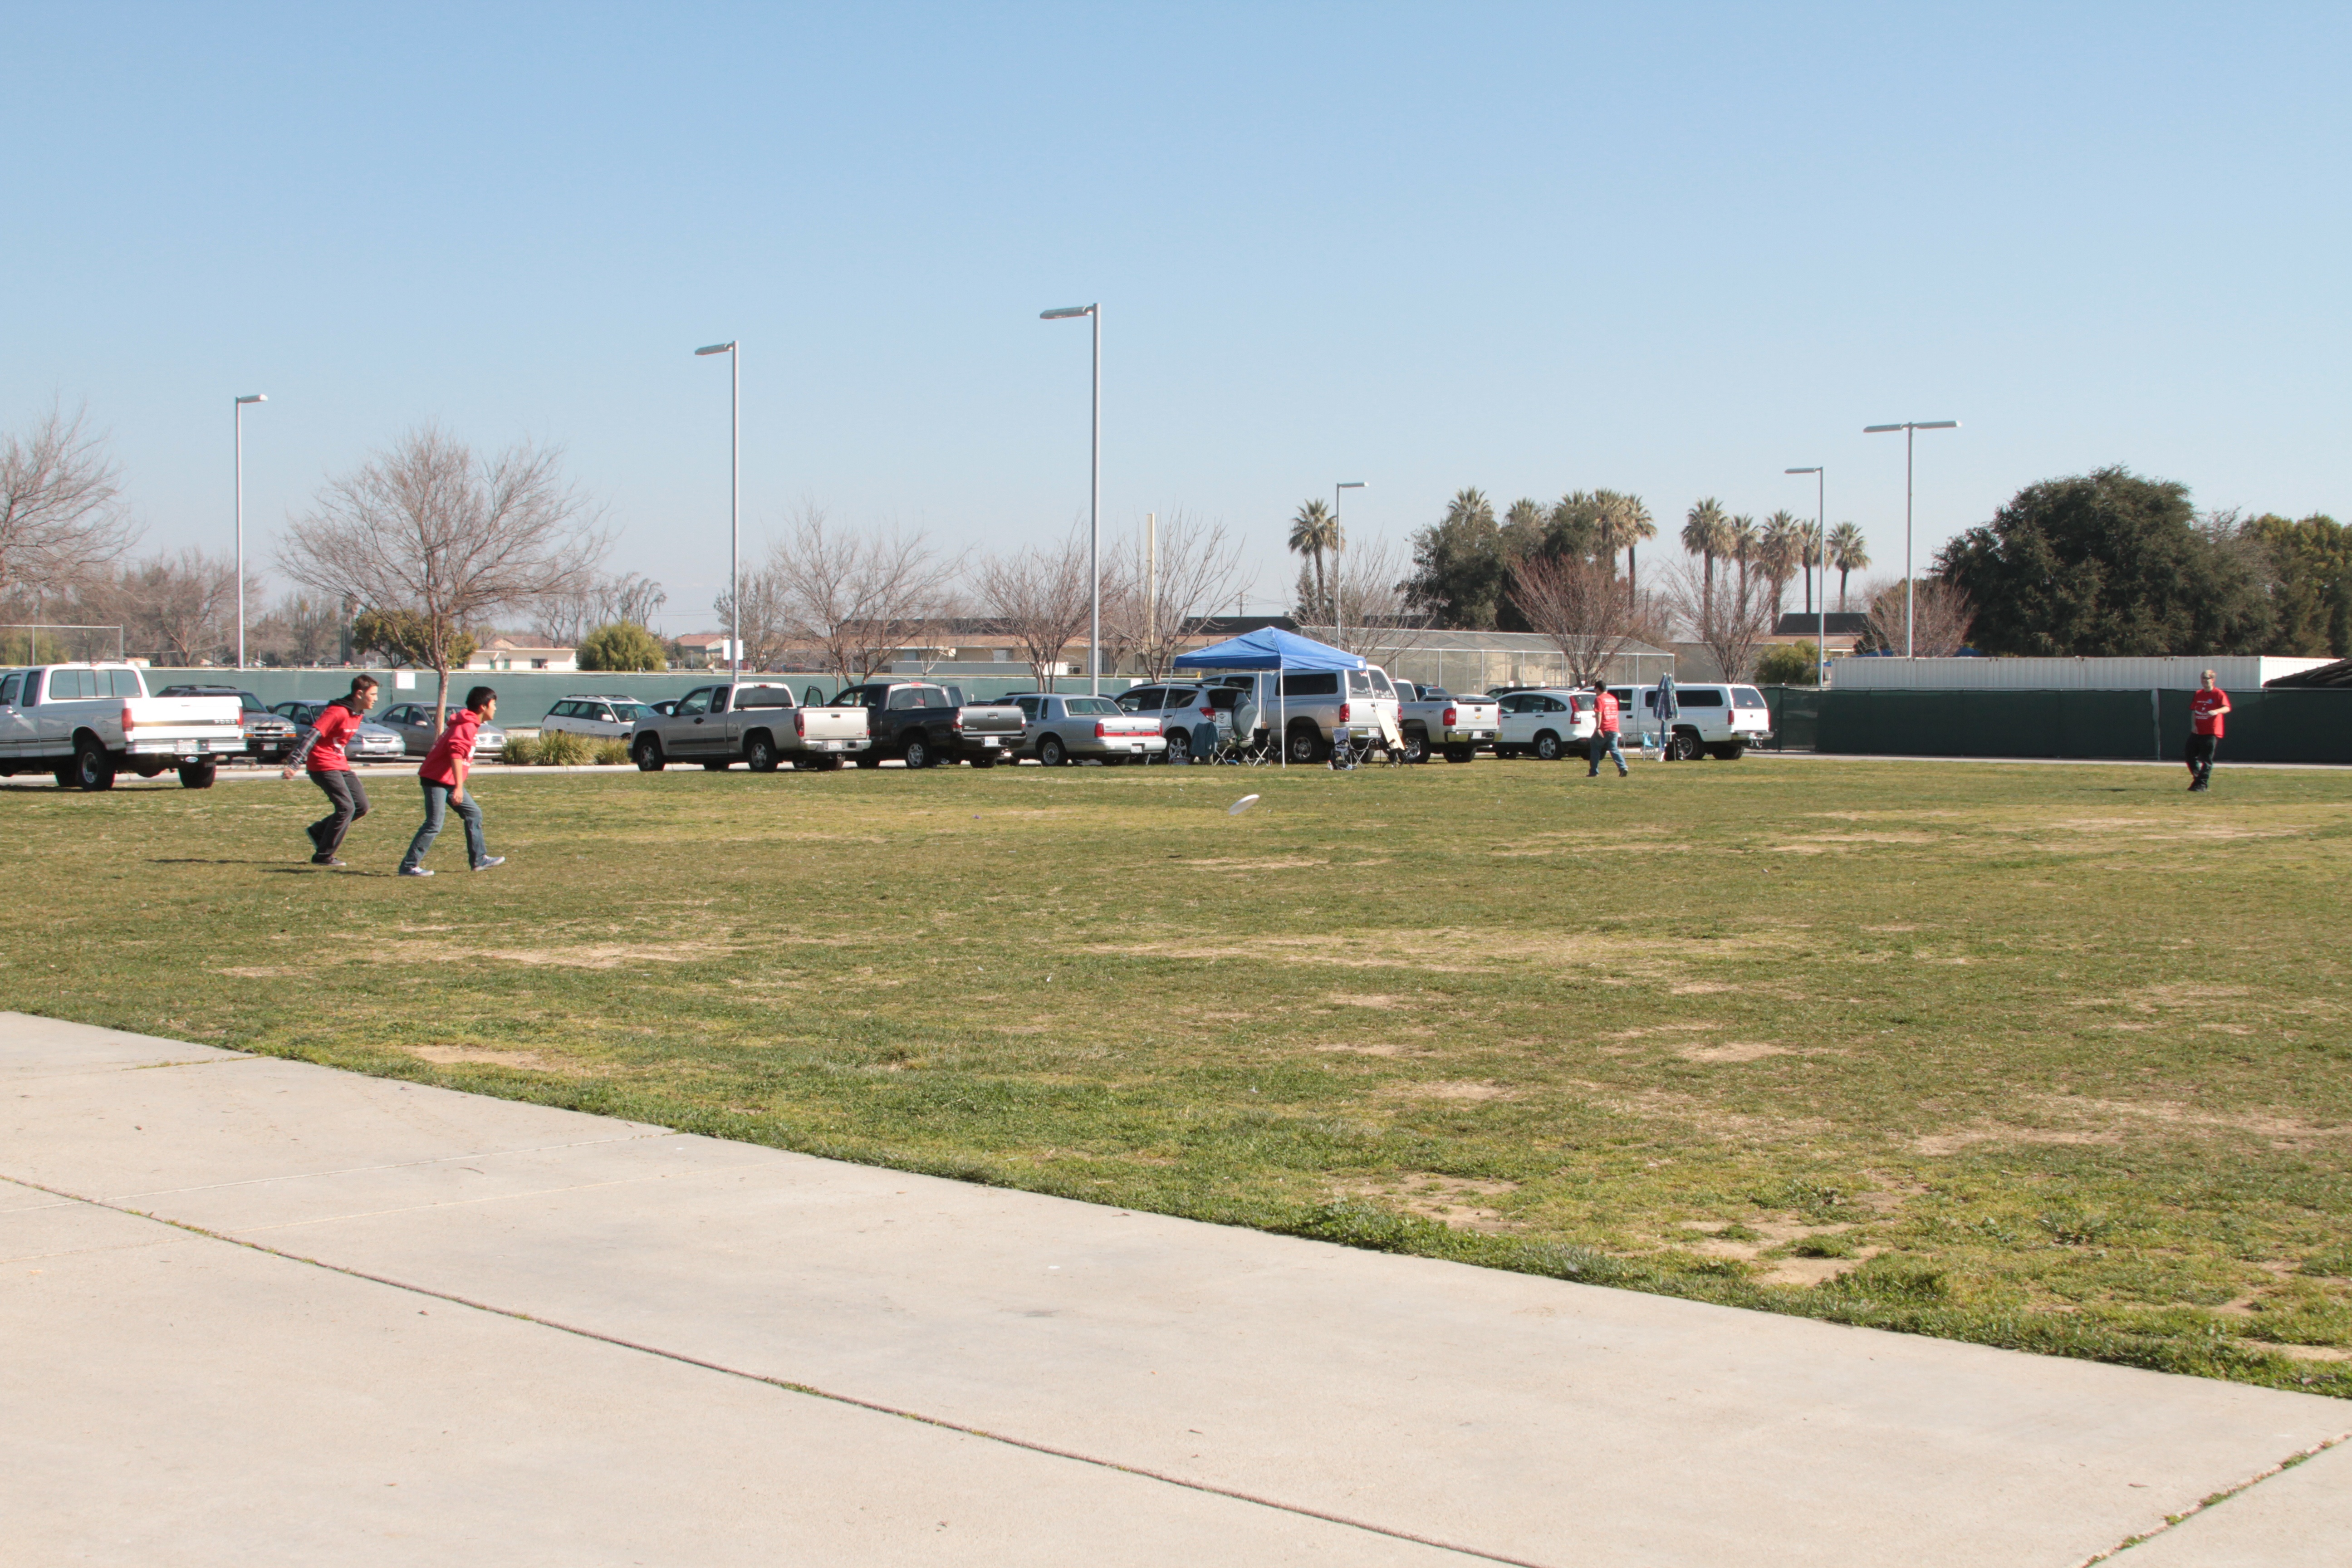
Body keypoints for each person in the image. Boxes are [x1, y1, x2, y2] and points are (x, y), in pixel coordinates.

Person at [398, 686, 506, 877]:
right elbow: (456, 754)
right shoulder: (466, 725)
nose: (496, 709)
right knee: (434, 824)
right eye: (494, 705)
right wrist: (458, 787)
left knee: (474, 814)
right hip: (436, 779)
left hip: (447, 780)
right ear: (483, 707)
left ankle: (480, 859)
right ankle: (409, 866)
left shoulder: (470, 724)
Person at [280, 675, 378, 866]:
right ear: (359, 694)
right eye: (373, 694)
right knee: (346, 808)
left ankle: (318, 831)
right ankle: (323, 856)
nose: (376, 698)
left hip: (340, 764)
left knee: (361, 807)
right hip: (322, 765)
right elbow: (312, 734)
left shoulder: (358, 715)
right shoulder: (337, 712)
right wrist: (294, 763)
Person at [2186, 670, 2230, 792]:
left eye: (2207, 678)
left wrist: (2216, 711)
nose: (2204, 681)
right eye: (2203, 678)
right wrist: (2194, 726)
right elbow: (2194, 711)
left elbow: (2227, 708)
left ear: (2213, 680)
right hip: (2197, 732)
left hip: (2211, 731)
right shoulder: (2198, 694)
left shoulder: (2218, 694)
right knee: (2190, 757)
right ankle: (2199, 781)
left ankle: (2201, 785)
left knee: (2206, 760)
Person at [1585, 678, 1627, 778]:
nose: (1595, 692)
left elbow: (1599, 713)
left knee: (1595, 747)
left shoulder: (1599, 699)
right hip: (1614, 728)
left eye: (1595, 689)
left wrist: (1598, 728)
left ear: (1598, 689)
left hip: (1604, 728)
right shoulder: (1613, 699)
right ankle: (1623, 767)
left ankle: (1594, 772)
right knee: (1614, 749)